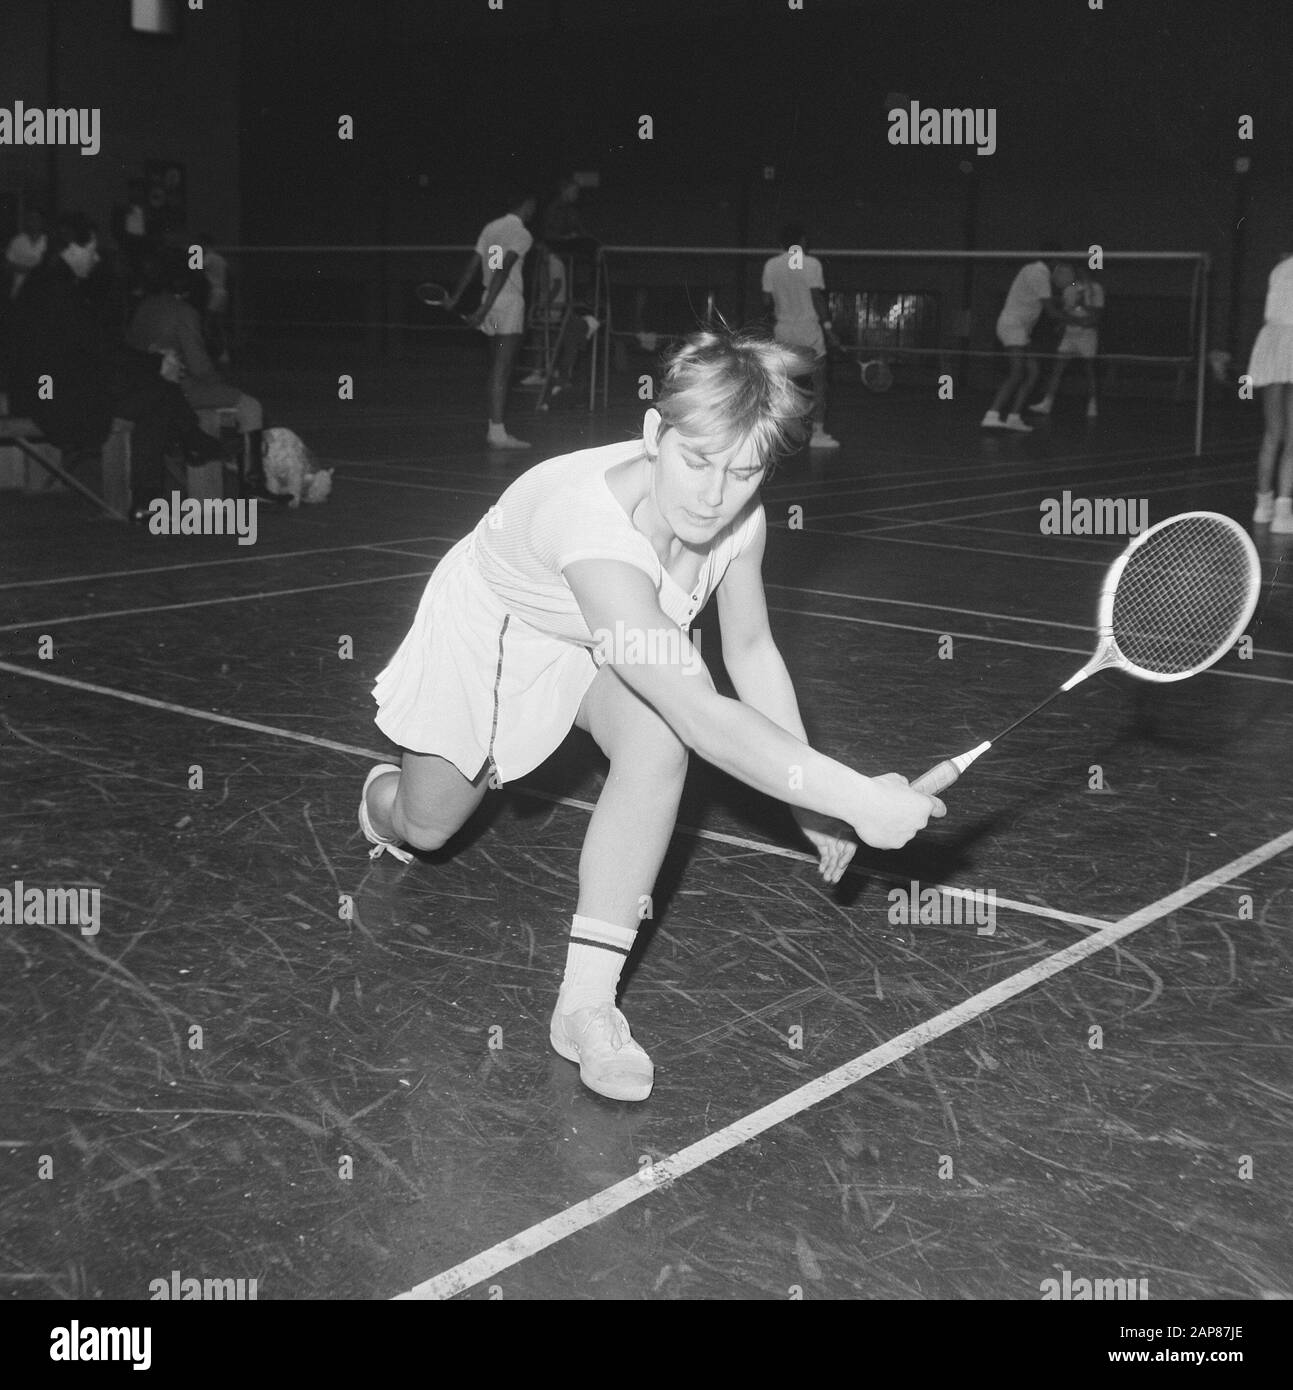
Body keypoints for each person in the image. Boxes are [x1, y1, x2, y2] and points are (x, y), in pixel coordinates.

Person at [359, 330, 946, 1102]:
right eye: (695, 461)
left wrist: (809, 798)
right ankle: (380, 802)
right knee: (427, 829)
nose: (713, 494)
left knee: (659, 738)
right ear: (653, 435)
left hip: (612, 641)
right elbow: (703, 709)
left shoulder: (738, 519)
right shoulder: (591, 524)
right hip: (499, 631)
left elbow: (750, 649)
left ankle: (586, 1008)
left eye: (742, 471)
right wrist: (858, 799)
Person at [7, 214, 226, 520]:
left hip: (40, 390)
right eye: (92, 250)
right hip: (52, 400)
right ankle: (177, 458)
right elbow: (98, 348)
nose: (96, 258)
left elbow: (87, 350)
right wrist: (157, 362)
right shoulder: (59, 292)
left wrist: (151, 364)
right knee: (157, 392)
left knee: (155, 389)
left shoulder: (40, 285)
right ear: (71, 249)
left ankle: (178, 458)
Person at [125, 251, 277, 501]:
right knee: (250, 406)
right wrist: (220, 384)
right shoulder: (184, 312)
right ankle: (253, 484)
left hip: (145, 385)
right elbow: (199, 366)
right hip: (178, 389)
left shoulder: (145, 307)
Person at [446, 191, 538, 450]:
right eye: (533, 206)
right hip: (505, 303)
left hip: (490, 297)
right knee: (502, 369)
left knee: (496, 365)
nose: (534, 212)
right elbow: (503, 267)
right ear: (526, 204)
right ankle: (497, 432)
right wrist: (484, 309)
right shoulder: (522, 234)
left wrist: (456, 297)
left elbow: (474, 264)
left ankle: (495, 428)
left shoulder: (491, 227)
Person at [761, 222, 839, 449]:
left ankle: (773, 432)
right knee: (819, 383)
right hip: (809, 332)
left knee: (782, 384)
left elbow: (766, 301)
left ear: (780, 243)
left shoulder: (771, 265)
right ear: (803, 242)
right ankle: (818, 434)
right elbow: (816, 297)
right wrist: (829, 327)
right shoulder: (812, 264)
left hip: (783, 331)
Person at [981, 250, 1072, 432]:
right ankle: (991, 415)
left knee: (1033, 372)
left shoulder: (1033, 270)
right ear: (1053, 262)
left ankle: (1014, 417)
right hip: (1013, 326)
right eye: (1060, 266)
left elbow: (1043, 298)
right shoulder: (1039, 274)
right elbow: (1051, 311)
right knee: (1017, 373)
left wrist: (1066, 296)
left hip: (1020, 330)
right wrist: (1072, 317)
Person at [1247, 251, 1293, 534]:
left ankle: (1263, 507)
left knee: (1272, 433)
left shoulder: (1278, 268)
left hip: (1271, 343)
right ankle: (1282, 512)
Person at [1029, 267, 1104, 419]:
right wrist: (1065, 322)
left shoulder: (1096, 288)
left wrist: (1082, 306)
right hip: (1070, 334)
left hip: (1087, 335)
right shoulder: (1070, 288)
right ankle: (1047, 403)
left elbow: (1096, 315)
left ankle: (1092, 404)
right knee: (1058, 368)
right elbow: (1066, 311)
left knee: (1089, 370)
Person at [5, 208, 48, 301]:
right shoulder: (17, 240)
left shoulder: (48, 241)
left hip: (41, 292)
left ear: (43, 222)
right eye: (31, 219)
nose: (35, 221)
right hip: (18, 291)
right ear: (27, 222)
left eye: (38, 218)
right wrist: (21, 269)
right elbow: (8, 263)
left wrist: (32, 272)